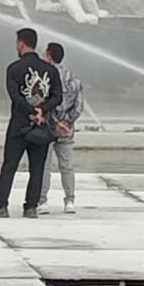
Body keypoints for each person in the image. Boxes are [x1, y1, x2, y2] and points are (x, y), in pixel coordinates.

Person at [0, 28, 61, 219]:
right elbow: (58, 97)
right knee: (37, 169)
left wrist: (29, 112)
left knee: (9, 166)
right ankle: (31, 207)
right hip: (41, 125)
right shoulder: (50, 70)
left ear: (21, 43)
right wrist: (41, 110)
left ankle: (1, 206)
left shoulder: (14, 68)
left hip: (19, 125)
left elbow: (15, 97)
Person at [43, 42, 83, 214]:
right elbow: (79, 107)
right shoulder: (74, 79)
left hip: (48, 128)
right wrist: (67, 123)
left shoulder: (46, 78)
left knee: (44, 166)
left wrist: (55, 123)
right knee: (67, 166)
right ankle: (70, 200)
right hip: (67, 130)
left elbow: (45, 103)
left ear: (49, 55)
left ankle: (42, 201)